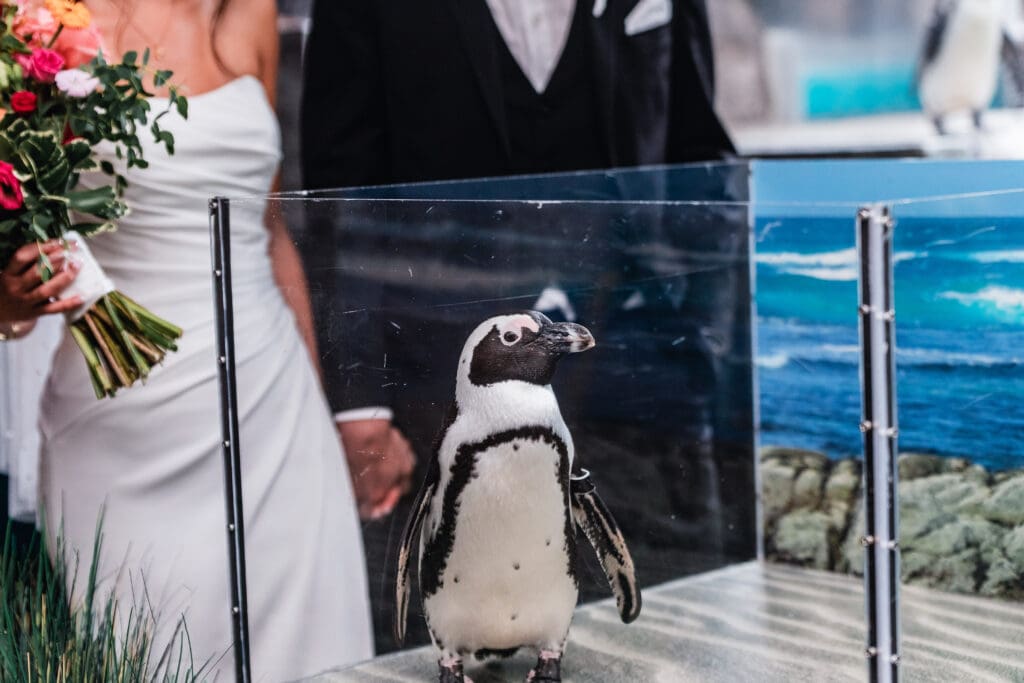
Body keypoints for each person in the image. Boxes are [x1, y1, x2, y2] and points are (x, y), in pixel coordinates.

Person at [300, 0, 739, 653]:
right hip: (442, 369)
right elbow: (341, 186)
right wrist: (360, 397)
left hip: (638, 361)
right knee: (459, 624)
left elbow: (702, 151)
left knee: (652, 618)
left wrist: (707, 328)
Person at [1, 0, 374, 678]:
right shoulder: (45, 25)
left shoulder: (249, 11)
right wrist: (12, 300)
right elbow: (21, 225)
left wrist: (316, 403)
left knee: (309, 647)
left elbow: (269, 231)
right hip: (121, 415)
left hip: (272, 408)